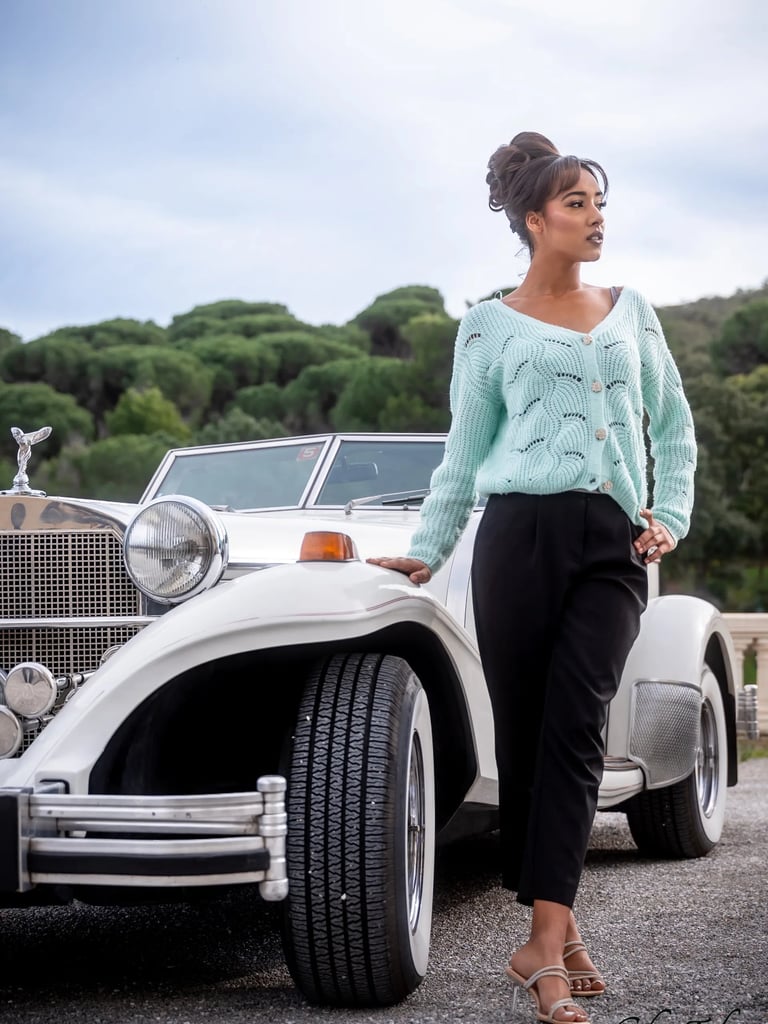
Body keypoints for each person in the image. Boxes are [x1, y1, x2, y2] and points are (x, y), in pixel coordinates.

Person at [368, 131, 696, 1024]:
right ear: (534, 220)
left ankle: (539, 949)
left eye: (601, 204)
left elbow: (673, 426)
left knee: (577, 725)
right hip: (515, 538)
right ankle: (564, 930)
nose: (596, 219)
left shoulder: (631, 311)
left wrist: (670, 514)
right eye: (577, 204)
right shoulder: (488, 325)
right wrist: (429, 547)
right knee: (524, 735)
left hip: (612, 545)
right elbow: (463, 451)